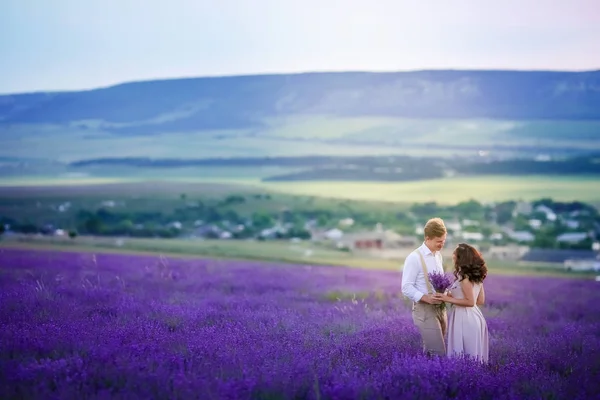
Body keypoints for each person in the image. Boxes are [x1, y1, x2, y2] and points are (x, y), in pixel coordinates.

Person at [434, 243, 489, 363]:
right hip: (474, 316)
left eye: (455, 253)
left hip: (464, 318)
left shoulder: (464, 278)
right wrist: (450, 295)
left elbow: (470, 302)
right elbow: (480, 301)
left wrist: (446, 299)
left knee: (463, 355)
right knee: (472, 355)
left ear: (460, 257)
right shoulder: (476, 276)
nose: (453, 255)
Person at [401, 217, 447, 357]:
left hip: (441, 308)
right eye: (439, 241)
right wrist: (426, 298)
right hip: (424, 309)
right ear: (428, 238)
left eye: (444, 241)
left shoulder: (438, 256)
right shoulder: (414, 257)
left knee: (430, 352)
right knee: (439, 353)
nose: (442, 244)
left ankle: (423, 375)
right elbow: (406, 287)